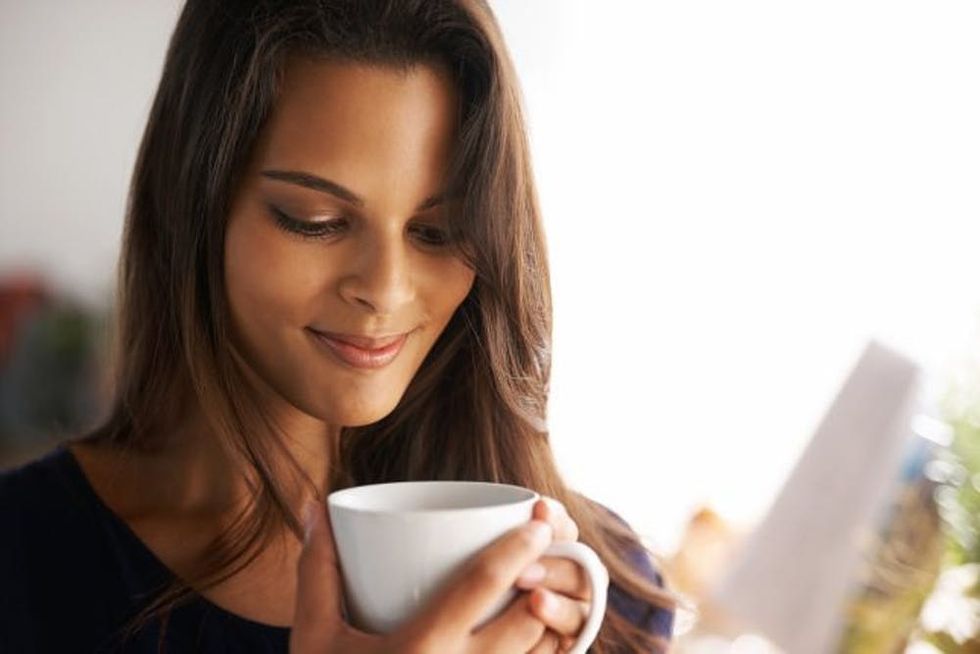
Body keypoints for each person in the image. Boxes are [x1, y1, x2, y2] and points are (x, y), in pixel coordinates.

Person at [0, 1, 675, 652]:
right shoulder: (21, 565)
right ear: (193, 205)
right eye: (314, 221)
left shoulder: (596, 598)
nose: (384, 291)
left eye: (439, 231)